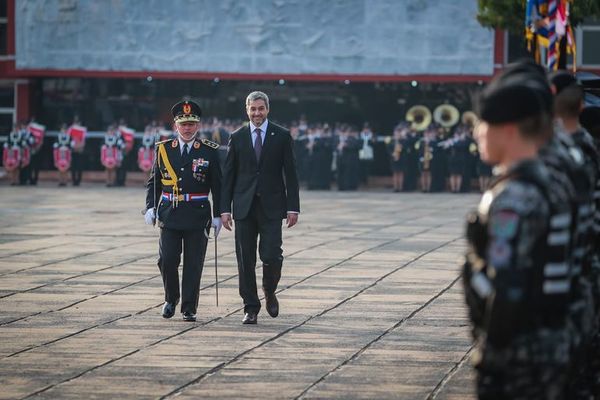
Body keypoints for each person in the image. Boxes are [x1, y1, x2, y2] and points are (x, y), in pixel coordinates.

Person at [462, 63, 571, 399]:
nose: (477, 133)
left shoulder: (514, 197)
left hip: (521, 351)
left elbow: (507, 287)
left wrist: (492, 355)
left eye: (483, 124)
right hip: (551, 341)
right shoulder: (552, 179)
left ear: (507, 129)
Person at [221, 91, 300, 325]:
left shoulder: (282, 136)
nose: (257, 113)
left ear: (268, 109)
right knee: (245, 259)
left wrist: (293, 207)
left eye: (261, 109)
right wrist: (224, 209)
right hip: (243, 207)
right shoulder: (237, 137)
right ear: (247, 110)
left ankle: (270, 290)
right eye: (253, 109)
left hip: (272, 207)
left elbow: (291, 174)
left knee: (272, 256)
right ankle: (250, 307)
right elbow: (229, 176)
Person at [144, 100, 222, 322]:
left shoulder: (209, 151)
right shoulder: (163, 149)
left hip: (197, 213)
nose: (187, 128)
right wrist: (150, 206)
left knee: (193, 263)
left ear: (197, 125)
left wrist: (218, 214)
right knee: (166, 259)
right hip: (170, 212)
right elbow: (154, 182)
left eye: (191, 123)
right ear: (175, 125)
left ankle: (189, 307)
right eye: (183, 123)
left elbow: (218, 185)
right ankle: (171, 298)